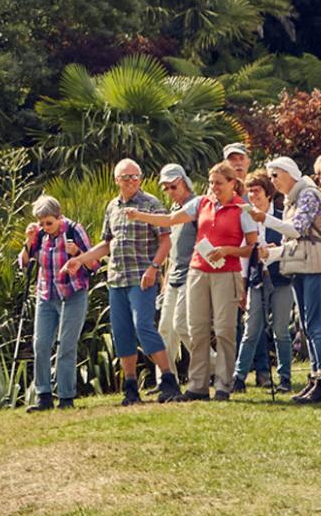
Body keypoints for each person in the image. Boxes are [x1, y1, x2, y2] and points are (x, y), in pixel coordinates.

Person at [126, 162, 257, 401]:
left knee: (225, 330)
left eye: (218, 183)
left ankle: (223, 386)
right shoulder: (201, 203)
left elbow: (250, 247)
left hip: (227, 274)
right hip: (197, 272)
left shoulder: (242, 209)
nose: (213, 188)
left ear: (232, 183)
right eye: (210, 183)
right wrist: (138, 215)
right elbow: (169, 220)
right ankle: (197, 386)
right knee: (196, 329)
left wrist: (228, 250)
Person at [61, 158, 183, 405]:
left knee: (144, 327)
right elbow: (107, 243)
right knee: (122, 334)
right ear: (117, 180)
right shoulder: (112, 207)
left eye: (135, 176)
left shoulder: (151, 204)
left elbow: (166, 241)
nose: (131, 181)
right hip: (117, 278)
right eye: (126, 177)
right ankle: (130, 387)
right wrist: (80, 260)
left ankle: (169, 382)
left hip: (142, 278)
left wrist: (154, 268)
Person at [247, 157, 321, 405]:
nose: (272, 181)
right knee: (308, 327)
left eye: (275, 175)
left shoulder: (308, 193)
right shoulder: (293, 199)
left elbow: (297, 229)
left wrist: (264, 219)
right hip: (303, 266)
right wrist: (273, 254)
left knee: (315, 326)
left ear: (289, 173)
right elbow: (293, 242)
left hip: (315, 268)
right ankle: (315, 378)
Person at [20, 195, 94, 412]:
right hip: (46, 296)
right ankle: (43, 396)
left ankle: (66, 397)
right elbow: (24, 263)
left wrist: (78, 254)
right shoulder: (40, 235)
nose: (45, 227)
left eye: (49, 223)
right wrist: (28, 240)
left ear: (59, 217)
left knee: (66, 346)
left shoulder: (73, 230)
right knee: (41, 345)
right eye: (42, 223)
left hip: (72, 295)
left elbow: (94, 263)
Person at [232, 171, 293, 393]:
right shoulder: (247, 219)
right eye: (250, 192)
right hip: (258, 280)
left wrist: (274, 252)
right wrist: (243, 284)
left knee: (280, 330)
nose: (253, 196)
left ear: (268, 193)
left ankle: (284, 378)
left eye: (257, 191)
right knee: (252, 328)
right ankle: (239, 377)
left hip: (281, 279)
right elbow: (245, 255)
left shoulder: (282, 215)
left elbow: (292, 245)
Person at [223, 142, 271, 387]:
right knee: (238, 322)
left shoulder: (255, 191)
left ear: (248, 161)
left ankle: (262, 371)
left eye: (240, 159)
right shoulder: (222, 194)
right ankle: (237, 372)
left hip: (256, 265)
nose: (237, 164)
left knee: (255, 319)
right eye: (232, 160)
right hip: (231, 266)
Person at [154, 164, 199, 384]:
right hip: (173, 276)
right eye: (167, 187)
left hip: (193, 275)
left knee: (182, 326)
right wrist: (164, 281)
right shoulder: (172, 210)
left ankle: (214, 365)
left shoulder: (197, 206)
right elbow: (172, 252)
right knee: (165, 329)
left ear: (184, 182)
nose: (171, 191)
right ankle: (166, 379)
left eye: (174, 185)